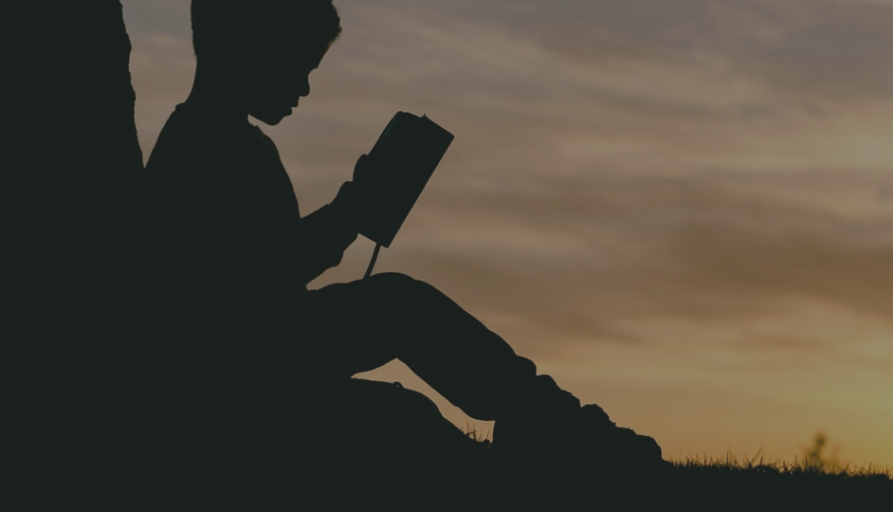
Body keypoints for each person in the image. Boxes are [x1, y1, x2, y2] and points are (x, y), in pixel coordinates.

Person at [144, 0, 661, 464]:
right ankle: (549, 446)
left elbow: (271, 271)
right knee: (405, 414)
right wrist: (351, 211)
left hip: (271, 342)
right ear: (248, 47)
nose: (303, 87)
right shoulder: (197, 151)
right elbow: (245, 289)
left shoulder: (235, 143)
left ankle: (553, 421)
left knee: (400, 301)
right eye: (298, 66)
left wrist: (351, 211)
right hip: (235, 377)